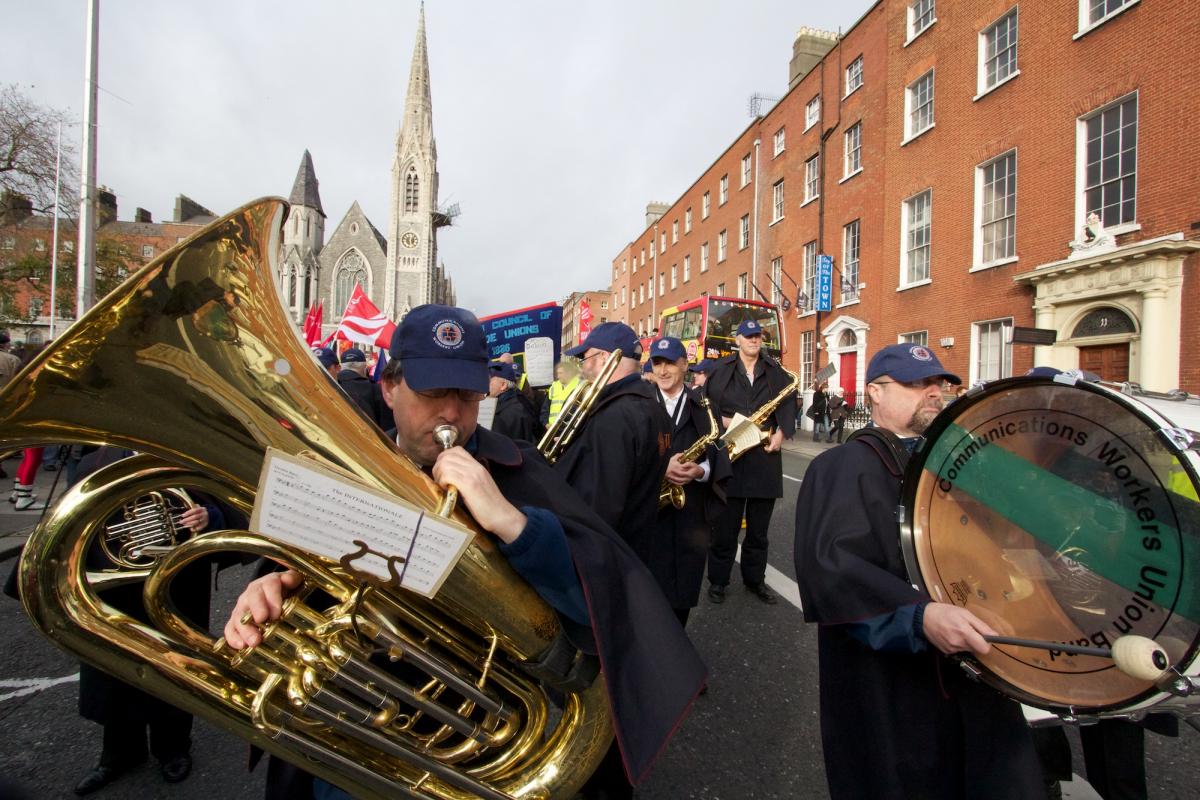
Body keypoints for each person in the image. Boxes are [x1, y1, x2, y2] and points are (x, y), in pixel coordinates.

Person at [224, 305, 704, 800]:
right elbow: (295, 573)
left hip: (479, 748)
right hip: (349, 734)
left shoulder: (521, 469)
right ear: (390, 389)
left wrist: (513, 523)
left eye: (467, 394)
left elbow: (605, 604)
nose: (452, 413)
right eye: (433, 392)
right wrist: (273, 588)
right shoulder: (342, 473)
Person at [793, 343, 1041, 799]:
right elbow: (831, 568)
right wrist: (918, 617)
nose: (933, 392)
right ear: (875, 393)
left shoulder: (961, 463)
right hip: (893, 690)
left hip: (978, 669)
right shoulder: (844, 465)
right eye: (915, 384)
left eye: (938, 383)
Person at [551, 321, 675, 799]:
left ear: (605, 359)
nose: (582, 366)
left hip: (599, 573)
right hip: (633, 553)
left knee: (591, 692)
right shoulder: (650, 407)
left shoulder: (612, 416)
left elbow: (595, 510)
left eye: (587, 358)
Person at [702, 319, 796, 605]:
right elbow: (706, 406)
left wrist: (781, 434)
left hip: (763, 458)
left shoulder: (775, 371)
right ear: (737, 340)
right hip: (731, 456)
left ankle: (755, 581)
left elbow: (788, 404)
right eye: (749, 336)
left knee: (758, 532)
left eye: (758, 336)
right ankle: (718, 581)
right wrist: (730, 423)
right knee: (725, 529)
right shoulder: (720, 370)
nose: (755, 340)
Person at [649, 337, 729, 626]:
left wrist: (700, 471)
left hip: (690, 513)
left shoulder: (705, 406)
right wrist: (659, 468)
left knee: (683, 590)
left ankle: (675, 652)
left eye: (670, 362)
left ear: (684, 365)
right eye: (657, 363)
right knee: (646, 593)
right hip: (649, 511)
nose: (663, 370)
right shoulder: (639, 402)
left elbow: (720, 455)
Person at [488, 359, 543, 442]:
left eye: (490, 380)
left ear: (503, 385)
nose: (485, 384)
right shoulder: (508, 405)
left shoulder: (511, 412)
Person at [335, 347, 389, 429]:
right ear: (364, 367)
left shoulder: (330, 383)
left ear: (341, 367)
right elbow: (386, 425)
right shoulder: (375, 389)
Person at [542, 360, 581, 428]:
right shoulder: (554, 386)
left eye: (561, 373)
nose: (558, 376)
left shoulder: (579, 386)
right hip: (551, 428)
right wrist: (546, 423)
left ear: (569, 373)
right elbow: (545, 409)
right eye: (557, 373)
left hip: (568, 429)